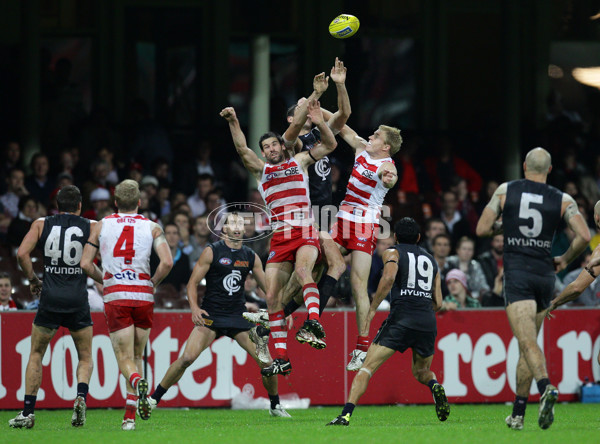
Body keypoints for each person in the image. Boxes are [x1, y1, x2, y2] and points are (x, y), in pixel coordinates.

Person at [220, 81, 336, 377]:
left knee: (303, 272)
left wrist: (316, 96)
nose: (270, 149)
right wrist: (234, 121)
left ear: (282, 146)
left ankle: (313, 320)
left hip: (305, 230)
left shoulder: (300, 161)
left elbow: (330, 143)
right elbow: (241, 149)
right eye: (266, 147)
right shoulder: (262, 172)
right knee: (272, 296)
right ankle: (281, 357)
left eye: (274, 144)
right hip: (281, 236)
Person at [476, 147, 590, 431]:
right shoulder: (562, 199)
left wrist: (506, 227)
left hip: (518, 275)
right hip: (544, 276)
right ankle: (517, 414)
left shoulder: (506, 190)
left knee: (526, 343)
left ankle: (546, 387)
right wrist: (564, 259)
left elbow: (482, 229)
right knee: (529, 343)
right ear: (549, 170)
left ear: (524, 166)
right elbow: (585, 236)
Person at [146, 213, 290, 417]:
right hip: (211, 316)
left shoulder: (250, 256)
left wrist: (283, 310)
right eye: (233, 223)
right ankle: (154, 399)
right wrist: (195, 308)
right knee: (187, 358)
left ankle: (275, 406)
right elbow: (192, 284)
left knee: (267, 362)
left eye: (241, 223)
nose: (238, 226)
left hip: (238, 317)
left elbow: (269, 290)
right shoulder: (211, 251)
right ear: (224, 229)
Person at [327, 218, 448, 425]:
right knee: (422, 372)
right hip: (427, 321)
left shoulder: (393, 252)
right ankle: (435, 385)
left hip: (401, 319)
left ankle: (345, 414)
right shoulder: (431, 260)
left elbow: (389, 277)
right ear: (419, 238)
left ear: (396, 238)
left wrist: (373, 307)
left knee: (367, 367)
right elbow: (439, 303)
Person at [80, 179, 173, 431]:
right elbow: (167, 262)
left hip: (117, 296)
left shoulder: (101, 225)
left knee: (124, 357)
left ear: (116, 202)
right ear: (139, 202)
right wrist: (152, 282)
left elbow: (86, 264)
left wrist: (106, 280)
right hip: (143, 295)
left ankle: (136, 380)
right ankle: (129, 418)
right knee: (136, 355)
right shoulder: (153, 227)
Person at [9, 186, 94, 429]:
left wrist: (34, 280)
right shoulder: (92, 225)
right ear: (80, 205)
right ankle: (80, 397)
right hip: (78, 299)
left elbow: (22, 254)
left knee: (36, 354)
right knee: (85, 356)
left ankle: (27, 412)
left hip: (50, 298)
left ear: (56, 205)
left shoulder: (40, 223)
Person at [330, 119, 400, 371]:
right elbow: (340, 125)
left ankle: (361, 347)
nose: (371, 135)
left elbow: (389, 177)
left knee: (359, 285)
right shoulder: (361, 148)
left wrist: (389, 178)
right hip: (341, 220)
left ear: (386, 147)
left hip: (364, 225)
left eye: (377, 135)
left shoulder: (387, 164)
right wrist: (312, 106)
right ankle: (285, 313)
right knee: (314, 256)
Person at [444, 236, 490, 302]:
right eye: (464, 249)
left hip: (472, 300)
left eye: (470, 249)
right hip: (450, 300)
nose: (467, 252)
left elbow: (484, 287)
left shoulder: (475, 265)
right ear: (458, 250)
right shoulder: (448, 263)